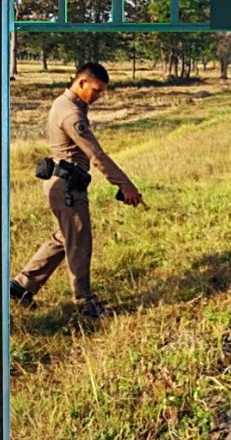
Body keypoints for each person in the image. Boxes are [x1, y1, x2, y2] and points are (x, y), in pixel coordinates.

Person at [10, 62, 144, 317]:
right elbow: (96, 155)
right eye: (96, 90)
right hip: (67, 187)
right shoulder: (72, 113)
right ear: (82, 82)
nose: (98, 96)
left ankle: (21, 287)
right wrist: (125, 185)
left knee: (63, 237)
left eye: (102, 91)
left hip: (63, 183)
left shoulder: (66, 104)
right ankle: (85, 303)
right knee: (79, 242)